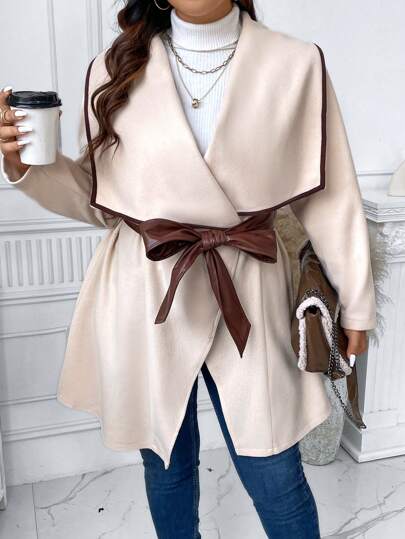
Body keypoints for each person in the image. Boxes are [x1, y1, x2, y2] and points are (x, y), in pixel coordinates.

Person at [0, 1, 376, 537]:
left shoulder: (295, 64)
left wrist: (356, 301)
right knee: (166, 464)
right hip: (148, 286)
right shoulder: (114, 69)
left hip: (248, 283)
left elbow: (329, 195)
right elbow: (103, 200)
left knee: (274, 468)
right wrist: (25, 167)